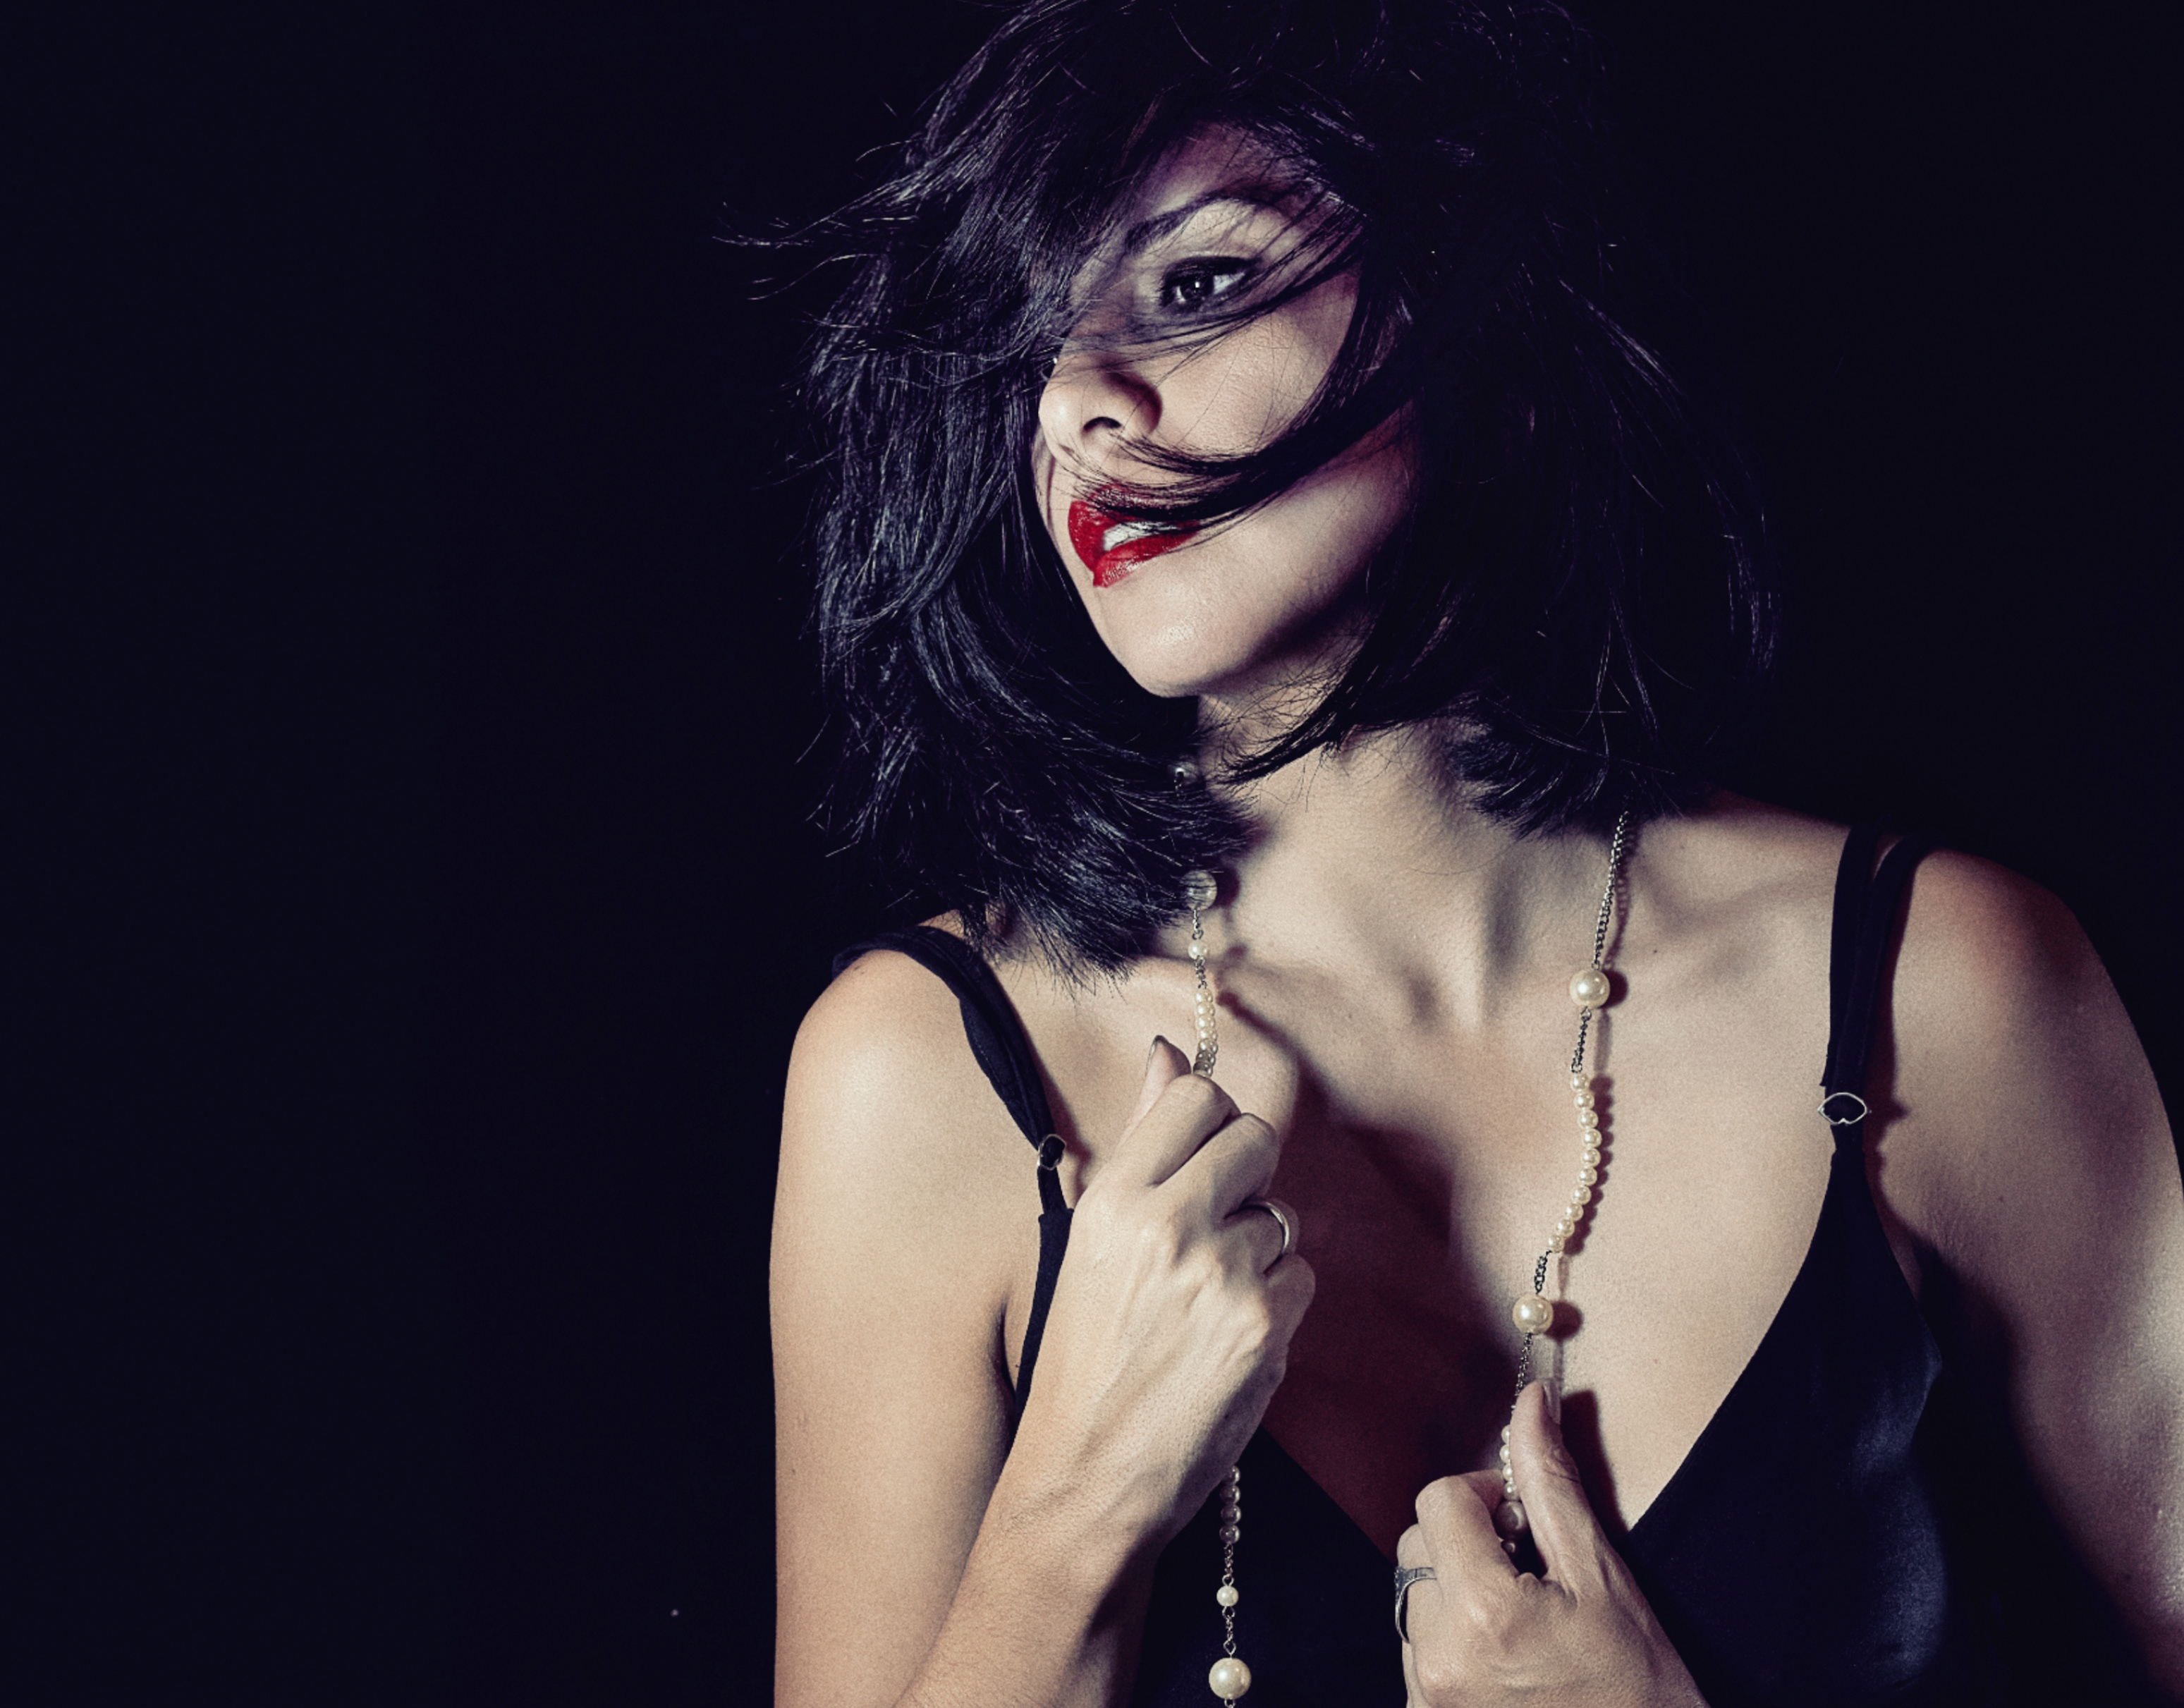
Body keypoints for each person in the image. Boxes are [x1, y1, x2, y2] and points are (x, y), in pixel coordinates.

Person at [768, 3, 2184, 1704]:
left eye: (1199, 284)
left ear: (1491, 341)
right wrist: (1070, 1516)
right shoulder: (923, 1075)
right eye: (1032, 343)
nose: (1079, 404)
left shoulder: (1942, 990)